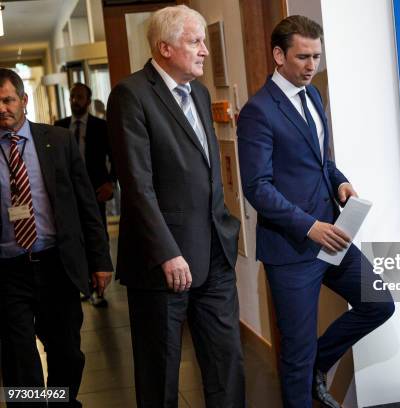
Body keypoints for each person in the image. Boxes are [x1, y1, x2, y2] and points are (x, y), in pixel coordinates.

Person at [237, 15, 395, 408]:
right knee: (296, 354)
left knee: (379, 302)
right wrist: (310, 227)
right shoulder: (259, 111)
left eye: (317, 57)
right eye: (303, 57)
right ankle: (308, 370)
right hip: (292, 251)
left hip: (333, 239)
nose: (312, 66)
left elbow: (320, 162)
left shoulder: (314, 96)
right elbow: (258, 187)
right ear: (278, 55)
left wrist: (340, 181)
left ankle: (317, 367)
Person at [106, 5, 244, 408]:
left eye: (203, 41)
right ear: (165, 48)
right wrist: (168, 252)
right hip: (163, 263)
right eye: (194, 41)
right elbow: (136, 185)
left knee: (227, 364)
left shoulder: (200, 94)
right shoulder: (131, 94)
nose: (204, 50)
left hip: (215, 252)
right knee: (161, 373)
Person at [0, 68, 113, 406]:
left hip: (56, 265)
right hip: (8, 272)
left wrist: (100, 261)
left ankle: (62, 402)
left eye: (7, 100)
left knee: (67, 354)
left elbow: (86, 206)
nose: (2, 108)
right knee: (22, 362)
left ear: (24, 100)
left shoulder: (58, 141)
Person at [55, 83, 115, 307]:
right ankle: (85, 285)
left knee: (97, 234)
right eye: (72, 96)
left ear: (88, 101)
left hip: (95, 193)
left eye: (79, 97)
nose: (74, 100)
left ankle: (100, 285)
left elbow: (116, 157)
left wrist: (111, 182)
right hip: (67, 196)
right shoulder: (59, 128)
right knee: (74, 237)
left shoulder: (101, 127)